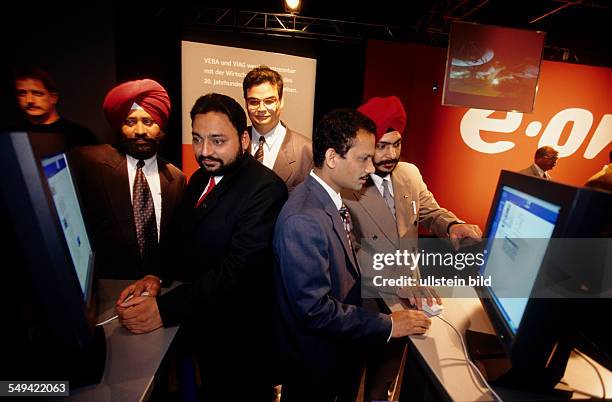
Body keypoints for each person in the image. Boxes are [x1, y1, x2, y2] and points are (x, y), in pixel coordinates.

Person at [116, 93, 288, 400]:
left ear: (244, 139)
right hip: (203, 329)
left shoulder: (266, 189)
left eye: (218, 141)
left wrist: (163, 309)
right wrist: (156, 276)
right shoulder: (200, 177)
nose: (205, 151)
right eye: (197, 139)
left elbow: (237, 273)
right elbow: (179, 238)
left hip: (241, 346)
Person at [273, 108, 431, 402]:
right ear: (333, 158)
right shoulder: (304, 219)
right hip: (316, 366)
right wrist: (390, 324)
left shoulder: (328, 200)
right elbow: (314, 311)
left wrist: (394, 283)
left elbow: (349, 264)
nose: (371, 168)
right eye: (363, 158)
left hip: (335, 356)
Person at [343, 96, 482, 401]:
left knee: (383, 380)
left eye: (397, 143)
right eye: (382, 145)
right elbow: (351, 250)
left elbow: (431, 212)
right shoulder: (348, 184)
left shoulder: (410, 174)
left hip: (408, 300)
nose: (391, 154)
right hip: (363, 303)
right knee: (348, 379)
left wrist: (452, 225)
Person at [69, 79, 185, 279]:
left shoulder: (176, 179)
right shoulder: (87, 163)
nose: (140, 131)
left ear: (161, 128)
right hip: (105, 288)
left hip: (157, 289)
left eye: (148, 122)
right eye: (130, 122)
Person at [243, 65, 312, 192]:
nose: (261, 109)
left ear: (281, 101)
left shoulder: (307, 151)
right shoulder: (235, 142)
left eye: (269, 101)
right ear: (246, 103)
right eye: (254, 102)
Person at [9, 66, 98, 149]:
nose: (29, 100)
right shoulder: (9, 136)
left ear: (53, 98)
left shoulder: (81, 136)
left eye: (37, 93)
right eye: (22, 93)